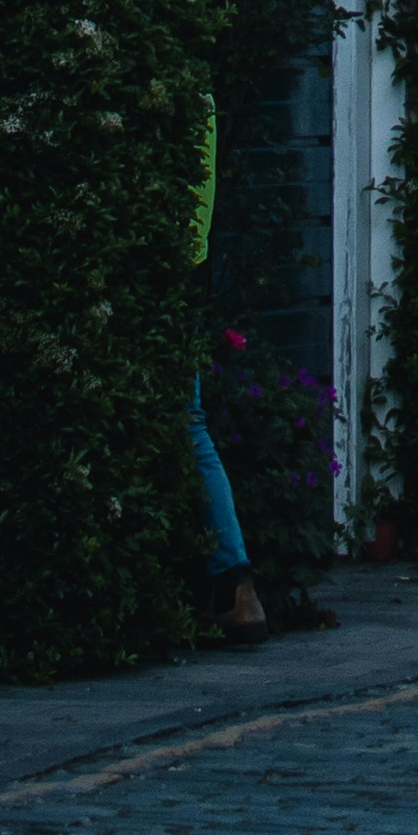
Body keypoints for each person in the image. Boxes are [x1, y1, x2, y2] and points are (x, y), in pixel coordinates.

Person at [188, 94, 268, 644]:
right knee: (187, 424)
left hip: (168, 275)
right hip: (188, 269)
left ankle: (232, 582)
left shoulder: (182, 91)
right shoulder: (202, 94)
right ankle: (234, 588)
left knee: (186, 424)